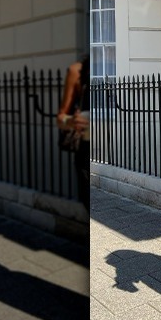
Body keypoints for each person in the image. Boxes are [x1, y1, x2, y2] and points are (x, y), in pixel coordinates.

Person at [57, 56, 90, 212]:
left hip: (118, 150)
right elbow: (60, 118)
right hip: (87, 151)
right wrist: (72, 121)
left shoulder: (122, 65)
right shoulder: (77, 71)